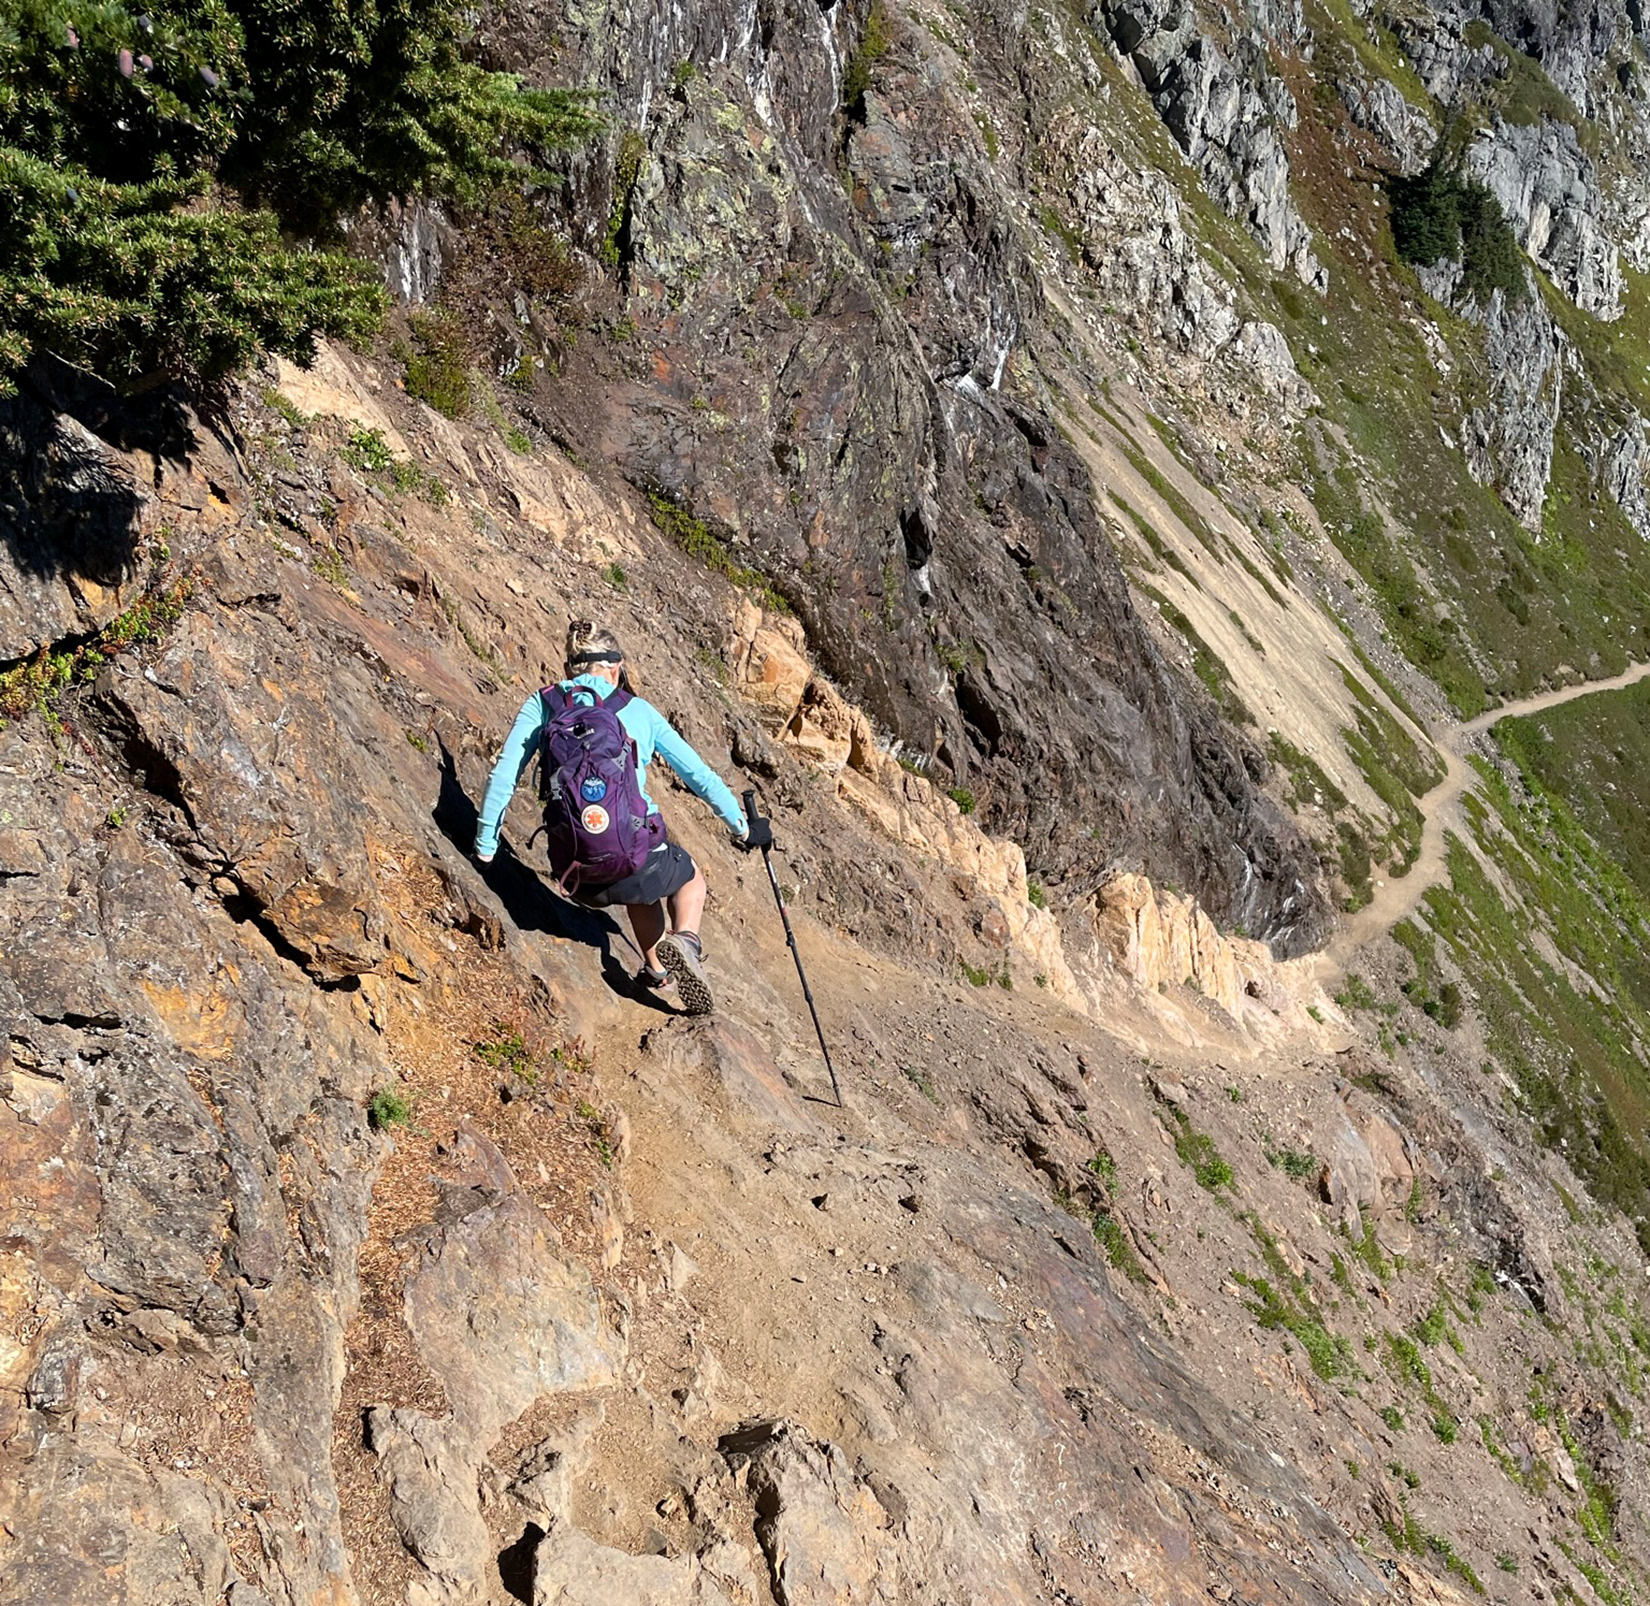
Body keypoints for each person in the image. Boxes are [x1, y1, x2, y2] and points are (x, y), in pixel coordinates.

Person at [473, 622, 769, 1013]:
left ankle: (657, 971)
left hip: (575, 874)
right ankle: (687, 943)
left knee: (637, 884)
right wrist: (744, 828)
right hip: (634, 857)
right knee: (688, 876)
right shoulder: (638, 711)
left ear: (570, 669)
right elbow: (699, 777)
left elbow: (504, 773)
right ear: (615, 667)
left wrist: (486, 848)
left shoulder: (544, 704)